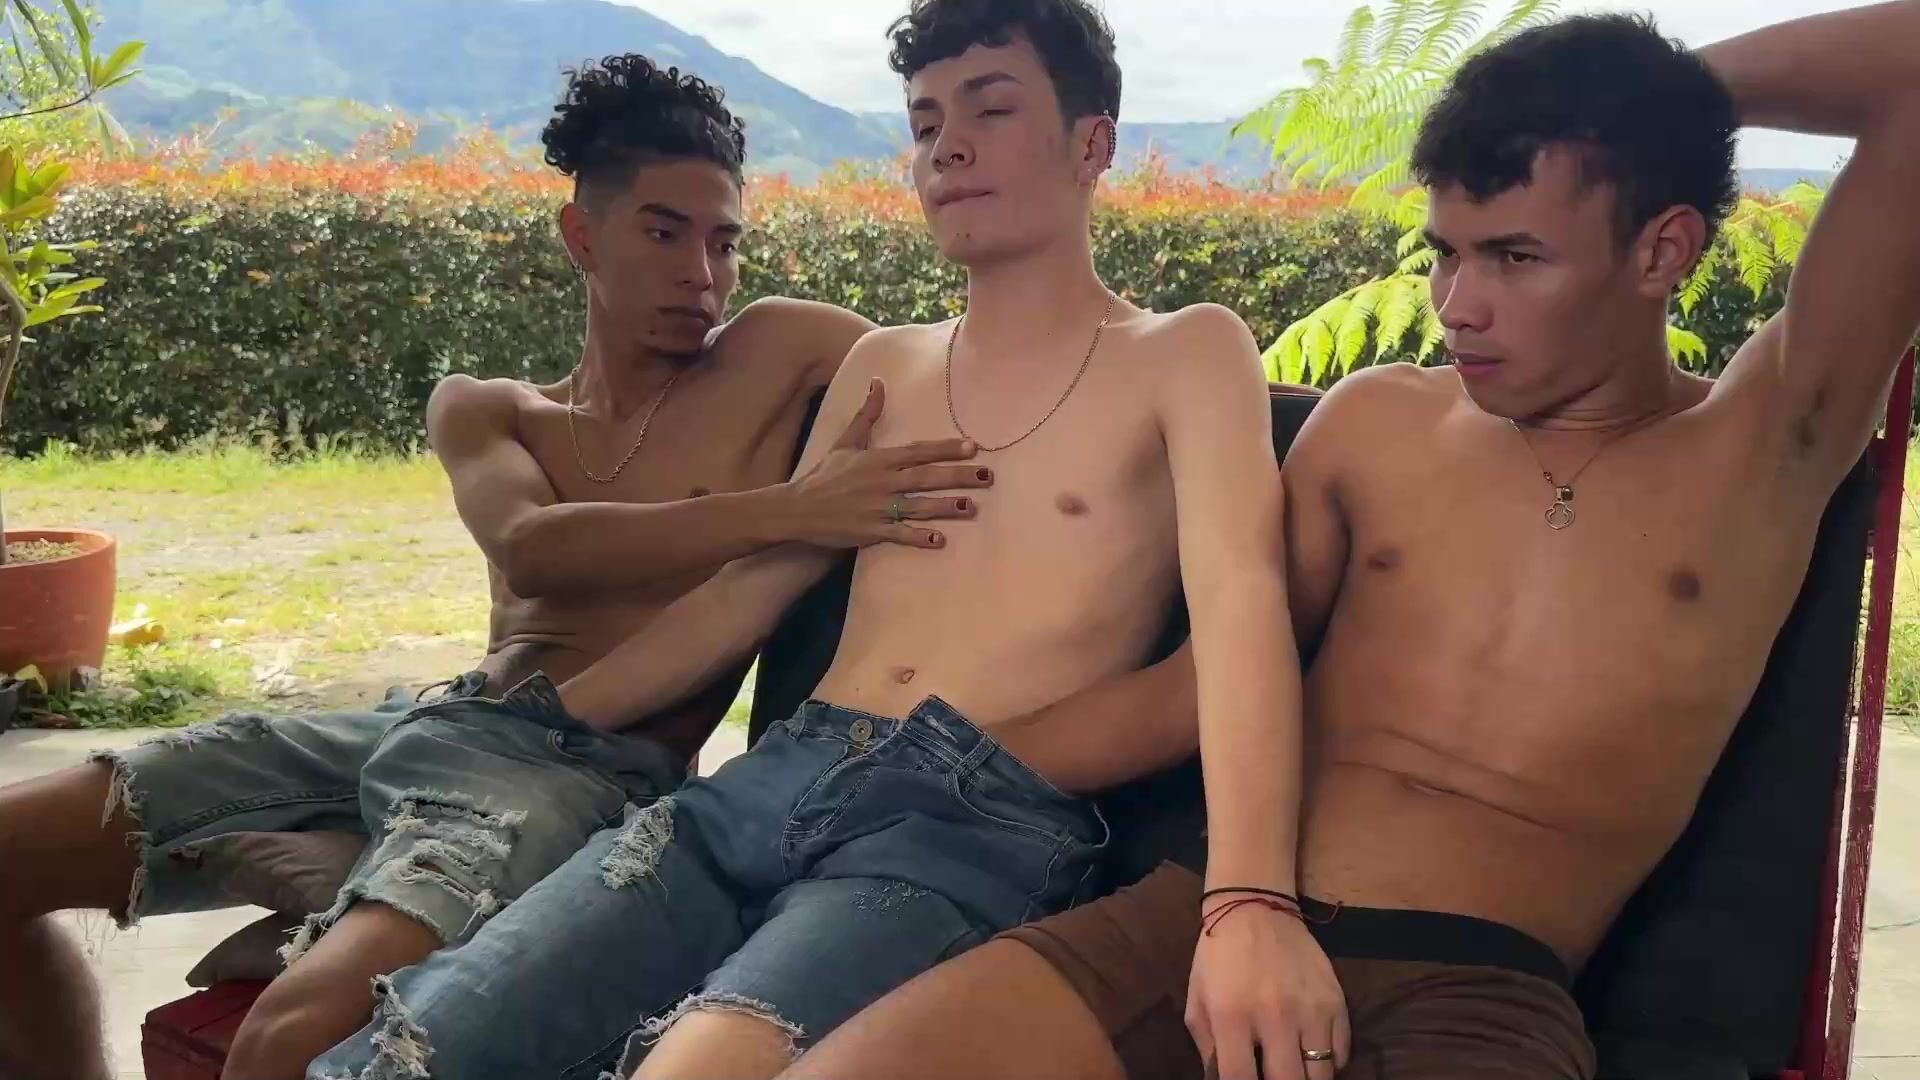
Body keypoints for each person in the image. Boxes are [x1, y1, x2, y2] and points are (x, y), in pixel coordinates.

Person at [778, 4, 1920, 1080]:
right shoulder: (1379, 422)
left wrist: (1638, 97)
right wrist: (910, 770)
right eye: (1446, 253)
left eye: (1515, 257)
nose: (1457, 305)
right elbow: (1199, 686)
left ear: (1662, 251)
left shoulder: (1764, 445)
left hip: (1475, 990)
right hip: (1201, 919)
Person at [303, 3, 1331, 1079]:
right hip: (773, 778)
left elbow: (1240, 612)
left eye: (990, 109)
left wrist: (1250, 898)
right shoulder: (884, 364)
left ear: (1092, 144)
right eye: (926, 123)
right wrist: (534, 720)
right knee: (417, 1047)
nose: (948, 147)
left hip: (970, 818)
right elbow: (750, 593)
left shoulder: (1185, 353)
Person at [0, 54, 989, 1080]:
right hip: (425, 724)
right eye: (663, 232)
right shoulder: (489, 408)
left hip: (569, 775)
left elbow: (972, 372)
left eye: (724, 241)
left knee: (289, 1037)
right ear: (581, 235)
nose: (702, 273)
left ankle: (367, 873)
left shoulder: (783, 349)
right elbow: (533, 548)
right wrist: (788, 510)